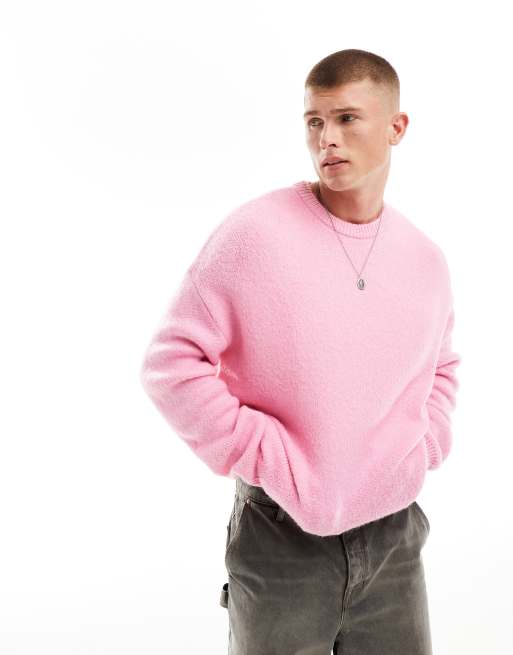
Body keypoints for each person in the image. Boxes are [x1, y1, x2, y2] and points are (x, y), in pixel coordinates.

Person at [139, 48, 461, 655]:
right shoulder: (256, 234)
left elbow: (441, 366)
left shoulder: (425, 259)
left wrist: (425, 446)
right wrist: (261, 453)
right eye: (314, 121)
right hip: (280, 537)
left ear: (396, 127)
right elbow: (171, 363)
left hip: (394, 540)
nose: (326, 139)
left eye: (346, 118)